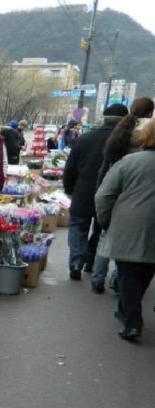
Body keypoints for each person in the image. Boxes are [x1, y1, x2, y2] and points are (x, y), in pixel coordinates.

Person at [95, 119, 155, 341]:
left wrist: (105, 220)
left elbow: (104, 195)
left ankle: (132, 322)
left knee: (128, 273)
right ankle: (126, 310)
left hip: (128, 224)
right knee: (146, 270)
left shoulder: (129, 162)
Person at [93, 97, 155, 293]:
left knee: (106, 238)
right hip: (140, 202)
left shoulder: (121, 131)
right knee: (133, 254)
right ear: (150, 112)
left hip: (117, 196)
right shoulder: (146, 133)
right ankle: (119, 282)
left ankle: (97, 277)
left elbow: (106, 169)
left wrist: (102, 214)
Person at [63, 103, 128, 283]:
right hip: (112, 196)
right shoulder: (126, 143)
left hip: (83, 192)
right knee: (102, 231)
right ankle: (91, 262)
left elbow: (70, 168)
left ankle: (76, 262)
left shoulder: (85, 138)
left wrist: (69, 189)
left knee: (78, 227)